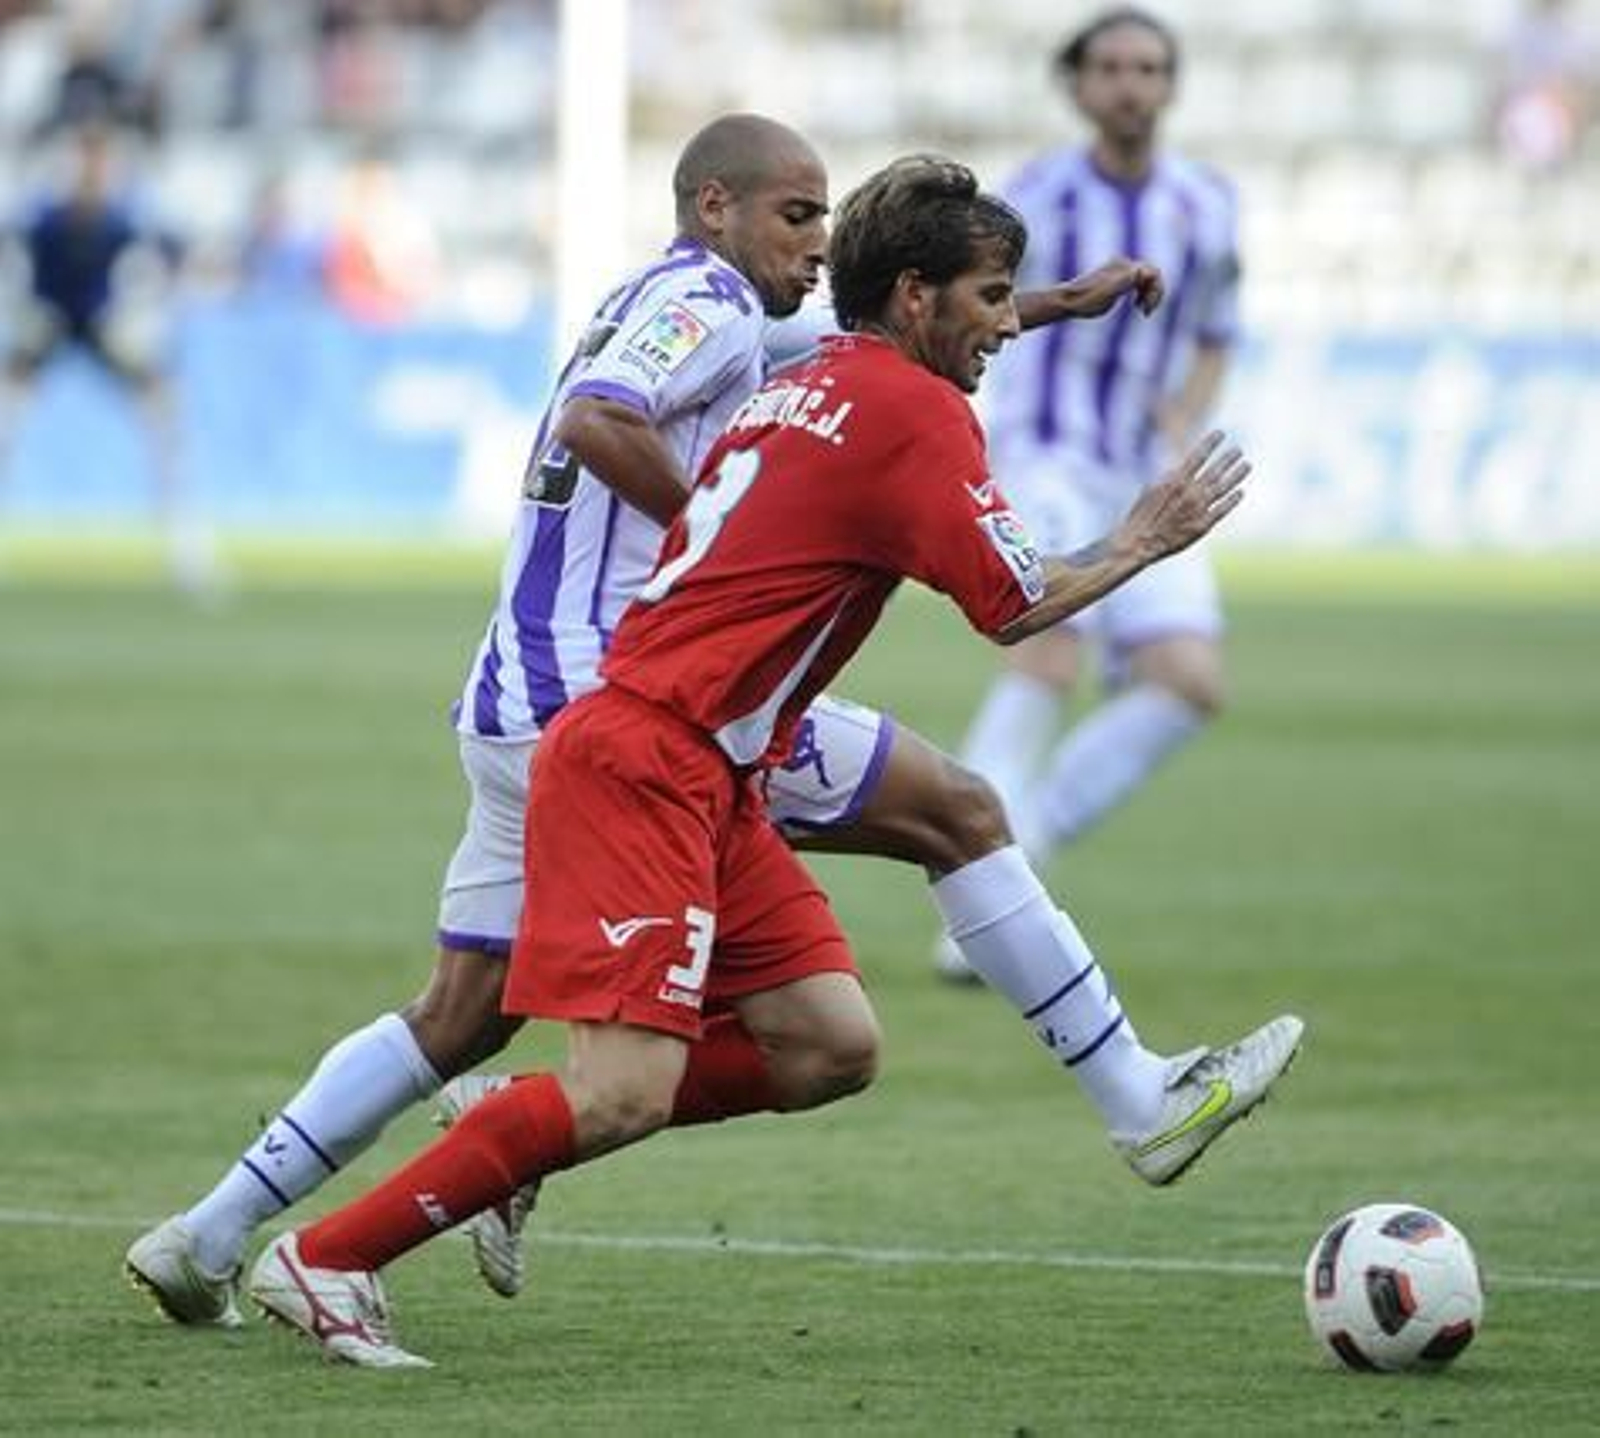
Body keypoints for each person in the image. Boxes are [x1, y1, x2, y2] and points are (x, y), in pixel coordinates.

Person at [123, 116, 1288, 1338]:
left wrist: (1055, 303)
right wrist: (728, 546)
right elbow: (600, 415)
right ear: (714, 206)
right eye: (797, 215)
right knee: (951, 814)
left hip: (551, 694)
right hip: (629, 695)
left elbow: (887, 324)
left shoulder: (765, 326)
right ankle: (1133, 1096)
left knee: (478, 1011)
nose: (814, 242)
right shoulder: (704, 302)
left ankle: (209, 1231)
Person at [948, 8, 1240, 978]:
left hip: (1137, 467)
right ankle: (976, 906)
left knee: (1190, 683)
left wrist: (1183, 417)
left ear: (1168, 85)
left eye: (1148, 67)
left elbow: (1215, 327)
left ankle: (1020, 841)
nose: (1129, 83)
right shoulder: (1032, 197)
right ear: (1077, 86)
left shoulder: (1206, 203)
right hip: (1043, 454)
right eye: (1110, 67)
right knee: (1046, 648)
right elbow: (976, 312)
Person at [0, 125, 215, 590]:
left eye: (99, 165)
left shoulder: (124, 222)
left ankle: (186, 548)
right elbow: (14, 260)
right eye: (84, 164)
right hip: (49, 321)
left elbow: (174, 258)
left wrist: (143, 312)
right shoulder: (44, 221)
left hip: (104, 325)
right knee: (7, 421)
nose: (91, 176)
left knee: (165, 419)